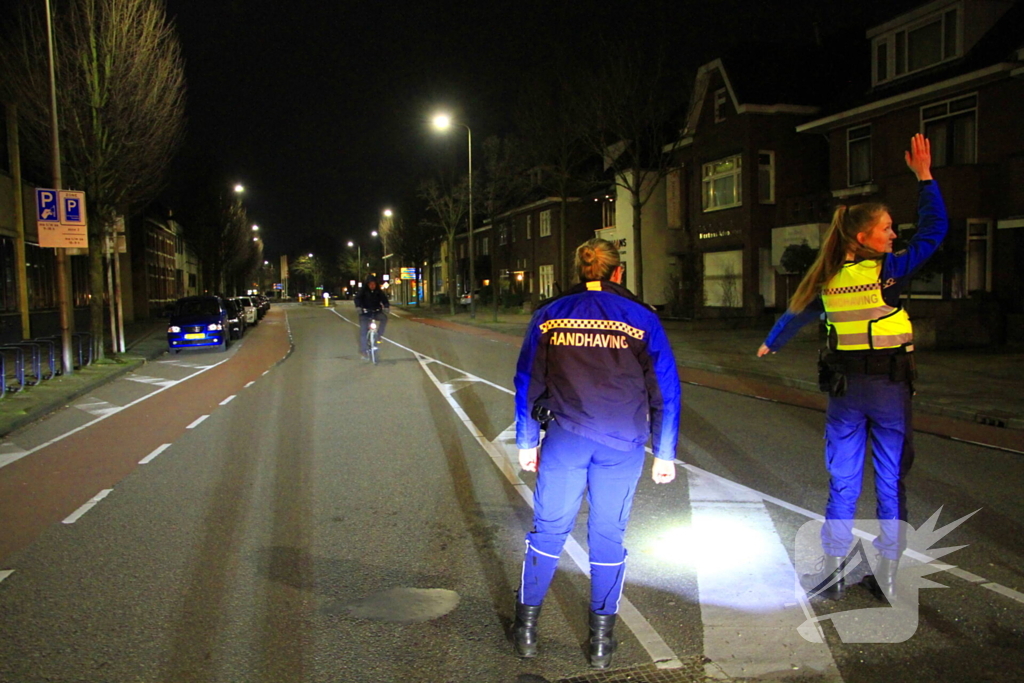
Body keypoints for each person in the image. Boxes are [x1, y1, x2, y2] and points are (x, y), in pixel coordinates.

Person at [757, 134, 947, 602]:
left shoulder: (828, 278)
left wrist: (770, 344)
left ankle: (831, 574)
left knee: (842, 482)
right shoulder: (887, 271)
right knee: (889, 484)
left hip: (845, 392)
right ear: (863, 237)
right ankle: (886, 577)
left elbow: (794, 314)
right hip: (889, 392)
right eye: (885, 229)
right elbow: (934, 231)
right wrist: (925, 178)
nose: (893, 235)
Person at [512, 238, 681, 668]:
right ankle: (601, 644)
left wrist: (528, 440)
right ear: (618, 271)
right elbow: (665, 389)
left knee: (548, 530)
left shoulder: (549, 315)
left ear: (578, 271)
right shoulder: (642, 318)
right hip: (622, 443)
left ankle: (527, 631)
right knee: (608, 536)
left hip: (566, 437)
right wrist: (663, 452)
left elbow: (528, 379)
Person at [354, 276, 390, 359]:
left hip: (376, 312)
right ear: (367, 285)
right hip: (365, 313)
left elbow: (384, 300)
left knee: (384, 318)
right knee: (363, 331)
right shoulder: (363, 291)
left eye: (374, 284)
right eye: (370, 284)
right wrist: (359, 307)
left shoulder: (379, 292)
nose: (372, 286)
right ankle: (364, 351)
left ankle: (379, 336)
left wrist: (386, 307)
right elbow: (357, 299)